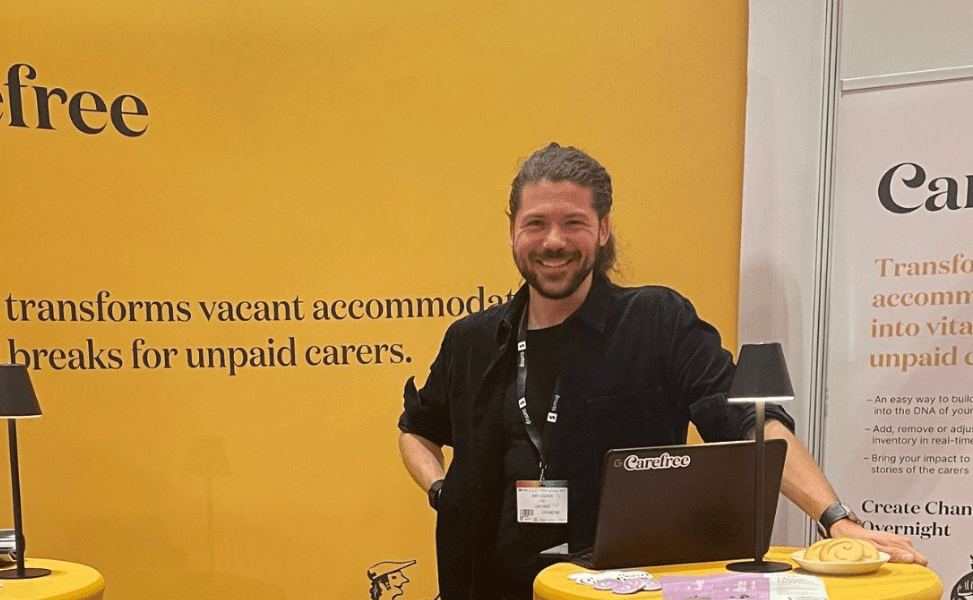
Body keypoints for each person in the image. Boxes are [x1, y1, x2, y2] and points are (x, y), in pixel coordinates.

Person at [397, 143, 926, 600]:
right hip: (485, 585)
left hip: (622, 591)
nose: (553, 240)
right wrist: (444, 493)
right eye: (535, 223)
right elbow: (415, 428)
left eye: (574, 222)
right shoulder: (470, 340)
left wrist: (837, 518)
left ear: (603, 229)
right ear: (513, 232)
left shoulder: (657, 321)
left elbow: (751, 423)